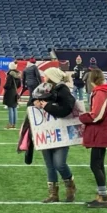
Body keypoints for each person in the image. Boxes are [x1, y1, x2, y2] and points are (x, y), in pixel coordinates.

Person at [31, 68, 77, 203]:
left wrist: (47, 106)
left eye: (46, 76)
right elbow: (32, 101)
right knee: (50, 164)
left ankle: (70, 186)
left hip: (61, 132)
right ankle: (53, 194)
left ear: (51, 77)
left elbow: (66, 110)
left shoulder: (63, 90)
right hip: (46, 131)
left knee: (59, 163)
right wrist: (35, 103)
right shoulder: (45, 88)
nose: (44, 78)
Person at [79, 69, 107, 208]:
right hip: (104, 131)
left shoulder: (101, 92)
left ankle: (103, 197)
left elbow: (96, 115)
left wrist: (81, 117)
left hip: (101, 132)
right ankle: (101, 195)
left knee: (95, 164)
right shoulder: (106, 91)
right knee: (99, 164)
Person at [3, 62, 21, 129]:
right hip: (15, 92)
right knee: (14, 108)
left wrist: (4, 86)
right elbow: (19, 85)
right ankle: (14, 124)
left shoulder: (10, 75)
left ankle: (10, 123)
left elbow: (8, 85)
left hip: (10, 92)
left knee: (10, 108)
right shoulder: (18, 74)